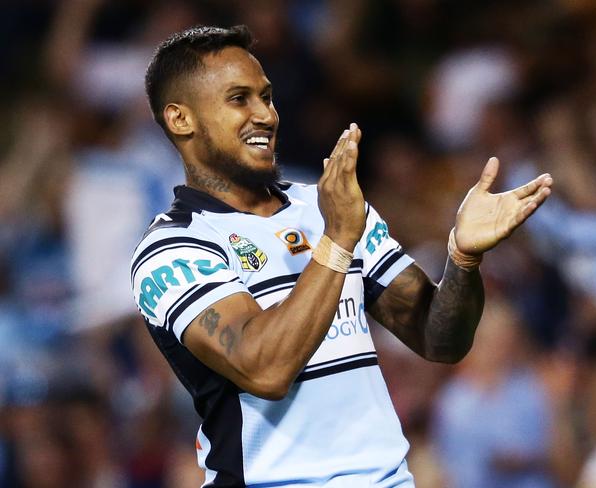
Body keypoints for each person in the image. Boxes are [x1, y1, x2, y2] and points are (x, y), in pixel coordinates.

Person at [130, 25, 553, 487]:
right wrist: (336, 242)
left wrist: (463, 259)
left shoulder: (326, 207)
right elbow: (264, 368)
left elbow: (439, 339)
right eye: (239, 99)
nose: (266, 115)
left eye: (266, 97)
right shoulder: (172, 248)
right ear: (180, 119)